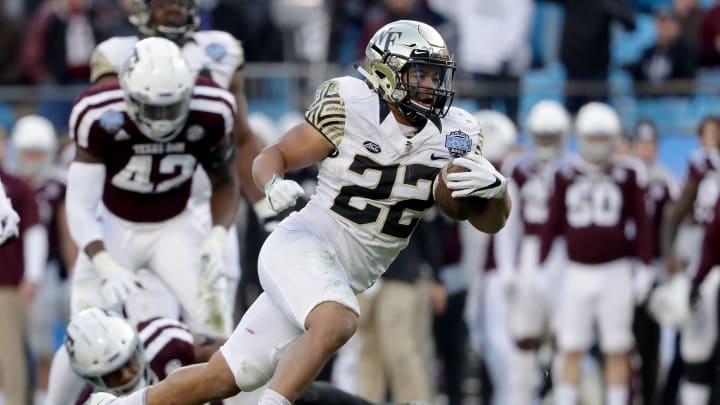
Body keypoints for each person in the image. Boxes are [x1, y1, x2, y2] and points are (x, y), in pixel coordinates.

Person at [87, 19, 511, 405]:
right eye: (419, 73)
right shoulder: (350, 103)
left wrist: (496, 193)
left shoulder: (458, 132)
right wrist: (272, 184)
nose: (430, 85)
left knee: (228, 376)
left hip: (341, 273)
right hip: (305, 243)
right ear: (386, 72)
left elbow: (474, 216)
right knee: (339, 320)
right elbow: (273, 153)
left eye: (436, 74)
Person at [65, 37, 239, 337]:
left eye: (171, 107)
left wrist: (217, 234)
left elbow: (225, 180)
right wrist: (103, 262)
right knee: (86, 334)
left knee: (217, 326)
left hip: (176, 225)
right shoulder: (97, 113)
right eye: (152, 108)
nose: (162, 119)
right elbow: (80, 204)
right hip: (113, 226)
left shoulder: (213, 109)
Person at [538, 102, 653, 405]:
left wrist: (644, 265)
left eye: (604, 138)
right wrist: (543, 263)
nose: (599, 145)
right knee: (570, 346)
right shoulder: (565, 173)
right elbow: (552, 223)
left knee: (617, 347)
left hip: (615, 271)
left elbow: (642, 223)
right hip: (576, 271)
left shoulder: (628, 172)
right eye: (594, 137)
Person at [502, 100, 571, 405]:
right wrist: (507, 268)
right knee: (524, 335)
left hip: (564, 254)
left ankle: (560, 396)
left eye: (550, 136)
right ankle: (520, 397)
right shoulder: (518, 170)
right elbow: (508, 224)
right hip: (529, 252)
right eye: (541, 135)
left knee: (565, 336)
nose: (545, 142)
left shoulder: (572, 169)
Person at [11, 114, 78, 402]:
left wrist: (76, 272)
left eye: (38, 152)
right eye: (27, 152)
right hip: (14, 274)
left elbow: (67, 231)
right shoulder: (10, 185)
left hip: (50, 272)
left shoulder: (58, 182)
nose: (32, 158)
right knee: (19, 344)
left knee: (51, 343)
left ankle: (47, 396)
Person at [628, 118, 679, 405]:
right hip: (624, 268)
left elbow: (679, 223)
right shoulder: (624, 175)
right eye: (642, 144)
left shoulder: (666, 180)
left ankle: (652, 397)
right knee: (622, 342)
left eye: (651, 144)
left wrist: (673, 257)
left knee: (654, 343)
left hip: (657, 270)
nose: (646, 149)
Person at [0, 127, 48, 405]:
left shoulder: (16, 186)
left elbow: (33, 231)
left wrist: (33, 275)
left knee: (11, 349)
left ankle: (18, 401)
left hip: (7, 281)